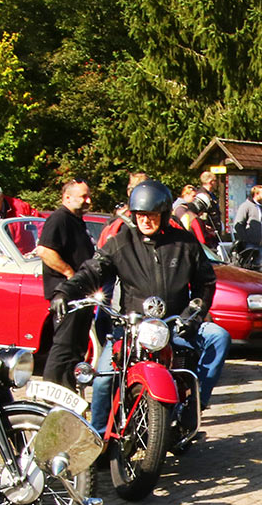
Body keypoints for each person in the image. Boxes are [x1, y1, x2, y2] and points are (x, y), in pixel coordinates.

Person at [52, 181, 229, 430]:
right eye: (141, 215)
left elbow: (206, 282)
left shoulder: (185, 244)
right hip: (131, 326)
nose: (146, 220)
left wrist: (192, 315)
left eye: (152, 215)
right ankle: (98, 437)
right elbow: (92, 270)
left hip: (176, 323)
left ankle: (192, 409)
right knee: (103, 379)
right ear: (134, 215)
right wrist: (64, 291)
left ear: (164, 214)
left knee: (218, 337)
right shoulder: (120, 243)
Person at [33, 179, 96, 389]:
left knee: (76, 349)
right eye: (83, 196)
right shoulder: (59, 219)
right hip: (66, 295)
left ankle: (68, 391)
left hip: (81, 294)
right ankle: (51, 395)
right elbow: (44, 251)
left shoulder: (77, 221)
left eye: (88, 196)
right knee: (63, 347)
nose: (88, 200)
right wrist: (70, 273)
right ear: (67, 197)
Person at [232, 183, 262, 270]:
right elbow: (238, 224)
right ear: (256, 194)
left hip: (261, 244)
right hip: (250, 245)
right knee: (249, 269)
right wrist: (246, 239)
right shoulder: (246, 206)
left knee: (259, 268)